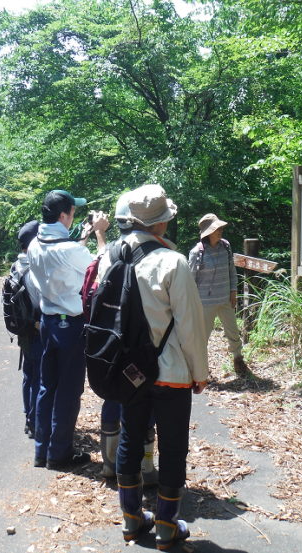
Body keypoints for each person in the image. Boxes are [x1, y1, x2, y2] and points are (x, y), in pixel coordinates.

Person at [97, 184, 207, 550]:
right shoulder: (172, 262)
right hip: (171, 372)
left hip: (129, 372)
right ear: (161, 224)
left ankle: (131, 521)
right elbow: (191, 325)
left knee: (130, 437)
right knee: (173, 448)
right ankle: (165, 527)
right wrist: (200, 372)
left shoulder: (109, 257)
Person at [27, 190, 109, 470]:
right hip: (72, 325)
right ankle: (59, 453)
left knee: (46, 387)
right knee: (69, 390)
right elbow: (102, 266)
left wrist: (81, 235)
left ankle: (42, 450)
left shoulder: (35, 245)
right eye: (72, 213)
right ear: (62, 216)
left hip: (48, 323)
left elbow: (65, 256)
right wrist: (99, 233)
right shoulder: (70, 250)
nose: (74, 216)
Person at [98, 193, 159, 485]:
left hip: (110, 342)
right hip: (144, 344)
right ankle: (146, 470)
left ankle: (111, 465)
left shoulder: (107, 252)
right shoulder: (153, 253)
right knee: (144, 401)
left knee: (113, 397)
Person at [188, 214, 249, 376]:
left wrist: (233, 291)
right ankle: (201, 369)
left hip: (224, 299)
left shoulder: (226, 246)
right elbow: (191, 280)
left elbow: (232, 271)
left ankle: (238, 360)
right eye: (217, 228)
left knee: (233, 332)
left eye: (221, 228)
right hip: (204, 302)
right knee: (203, 337)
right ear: (208, 232)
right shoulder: (196, 252)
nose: (220, 230)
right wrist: (191, 304)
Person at [10, 220, 41, 439]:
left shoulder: (16, 265)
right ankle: (34, 421)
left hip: (23, 330)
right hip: (37, 329)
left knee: (29, 375)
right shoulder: (33, 269)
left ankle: (28, 417)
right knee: (39, 377)